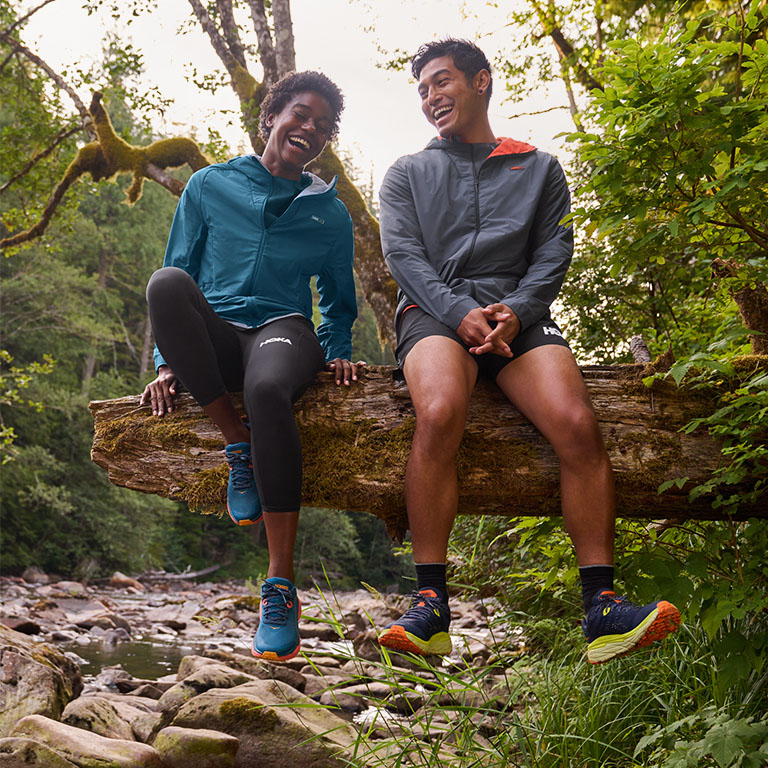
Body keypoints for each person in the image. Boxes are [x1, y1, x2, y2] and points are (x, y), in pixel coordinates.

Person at [376, 39, 680, 664]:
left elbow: (553, 253)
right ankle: (431, 604)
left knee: (576, 423)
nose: (432, 97)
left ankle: (601, 609)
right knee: (437, 411)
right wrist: (461, 314)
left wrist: (517, 312)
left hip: (519, 317)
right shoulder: (407, 172)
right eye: (423, 89)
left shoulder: (539, 166)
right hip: (435, 314)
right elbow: (403, 258)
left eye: (442, 81)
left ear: (481, 81)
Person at [140, 71, 362, 662]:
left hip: (282, 333)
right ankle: (235, 442)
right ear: (271, 117)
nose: (309, 128)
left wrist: (337, 350)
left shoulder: (328, 213)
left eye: (322, 125)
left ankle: (280, 584)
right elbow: (178, 272)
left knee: (267, 390)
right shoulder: (210, 185)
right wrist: (168, 366)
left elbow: (339, 302)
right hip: (217, 332)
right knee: (163, 284)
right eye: (300, 114)